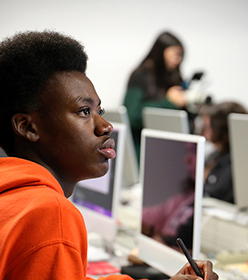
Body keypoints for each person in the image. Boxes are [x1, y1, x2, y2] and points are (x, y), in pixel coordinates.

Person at [0, 30, 218, 280]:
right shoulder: (50, 215)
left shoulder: (14, 195)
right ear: (27, 127)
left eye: (98, 110)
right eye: (84, 111)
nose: (105, 126)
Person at [123, 31, 188, 162]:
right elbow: (130, 115)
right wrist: (168, 102)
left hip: (171, 150)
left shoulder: (173, 76)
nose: (178, 60)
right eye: (175, 54)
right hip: (144, 151)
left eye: (180, 55)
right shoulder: (140, 75)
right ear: (161, 52)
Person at [199, 101, 248, 203]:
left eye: (208, 128)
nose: (204, 133)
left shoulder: (239, 164)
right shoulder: (214, 156)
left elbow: (216, 193)